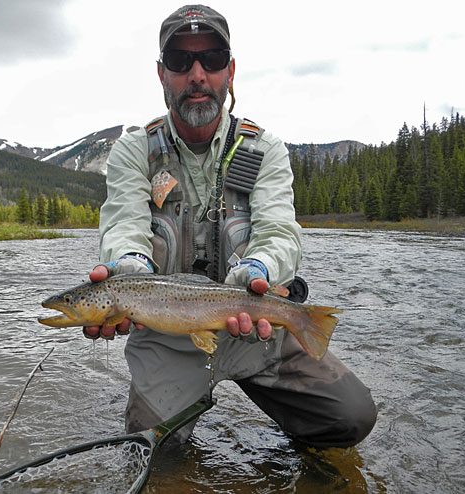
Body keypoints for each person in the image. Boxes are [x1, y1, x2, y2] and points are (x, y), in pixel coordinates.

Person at [84, 4, 377, 449]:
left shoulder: (264, 149)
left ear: (231, 71)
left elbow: (280, 233)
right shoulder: (134, 151)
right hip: (167, 337)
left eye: (212, 59)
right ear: (162, 74)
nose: (197, 74)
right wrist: (129, 268)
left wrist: (258, 271)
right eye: (181, 62)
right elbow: (124, 225)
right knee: (151, 453)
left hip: (255, 326)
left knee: (350, 417)